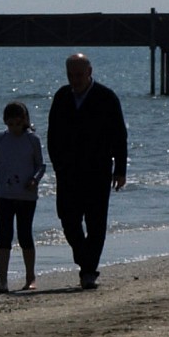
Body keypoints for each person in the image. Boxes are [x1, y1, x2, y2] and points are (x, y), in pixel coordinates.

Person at [45, 52, 127, 289]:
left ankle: (88, 271)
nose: (75, 79)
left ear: (89, 73)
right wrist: (57, 164)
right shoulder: (61, 97)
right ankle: (85, 259)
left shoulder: (106, 97)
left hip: (98, 170)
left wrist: (120, 170)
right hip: (68, 171)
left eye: (80, 74)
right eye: (71, 75)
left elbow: (119, 135)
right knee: (68, 218)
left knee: (96, 222)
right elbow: (53, 135)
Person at [0, 100, 45, 293]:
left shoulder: (33, 140)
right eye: (10, 124)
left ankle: (30, 277)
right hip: (3, 194)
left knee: (24, 235)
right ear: (5, 122)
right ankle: (3, 281)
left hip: (26, 195)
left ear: (25, 121)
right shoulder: (0, 138)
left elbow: (41, 165)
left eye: (17, 124)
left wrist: (34, 180)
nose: (14, 128)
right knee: (4, 235)